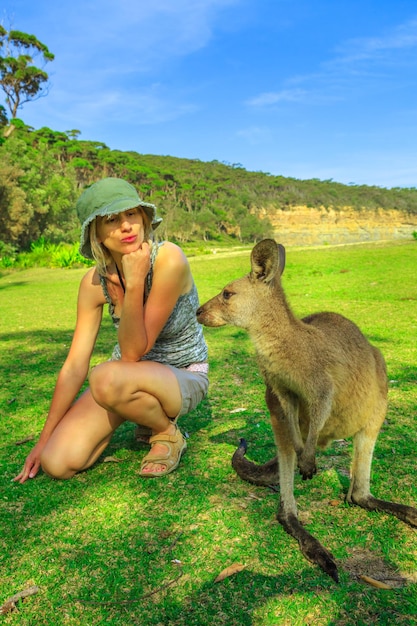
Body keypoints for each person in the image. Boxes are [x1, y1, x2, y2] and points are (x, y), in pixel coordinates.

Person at [14, 177, 208, 483]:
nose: (126, 226)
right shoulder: (93, 283)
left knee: (104, 375)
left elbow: (133, 352)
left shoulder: (169, 258)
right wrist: (44, 439)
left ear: (144, 218)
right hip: (123, 382)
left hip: (182, 375)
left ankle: (166, 433)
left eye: (131, 214)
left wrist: (134, 284)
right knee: (57, 462)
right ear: (96, 233)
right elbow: (75, 365)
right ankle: (136, 413)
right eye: (111, 220)